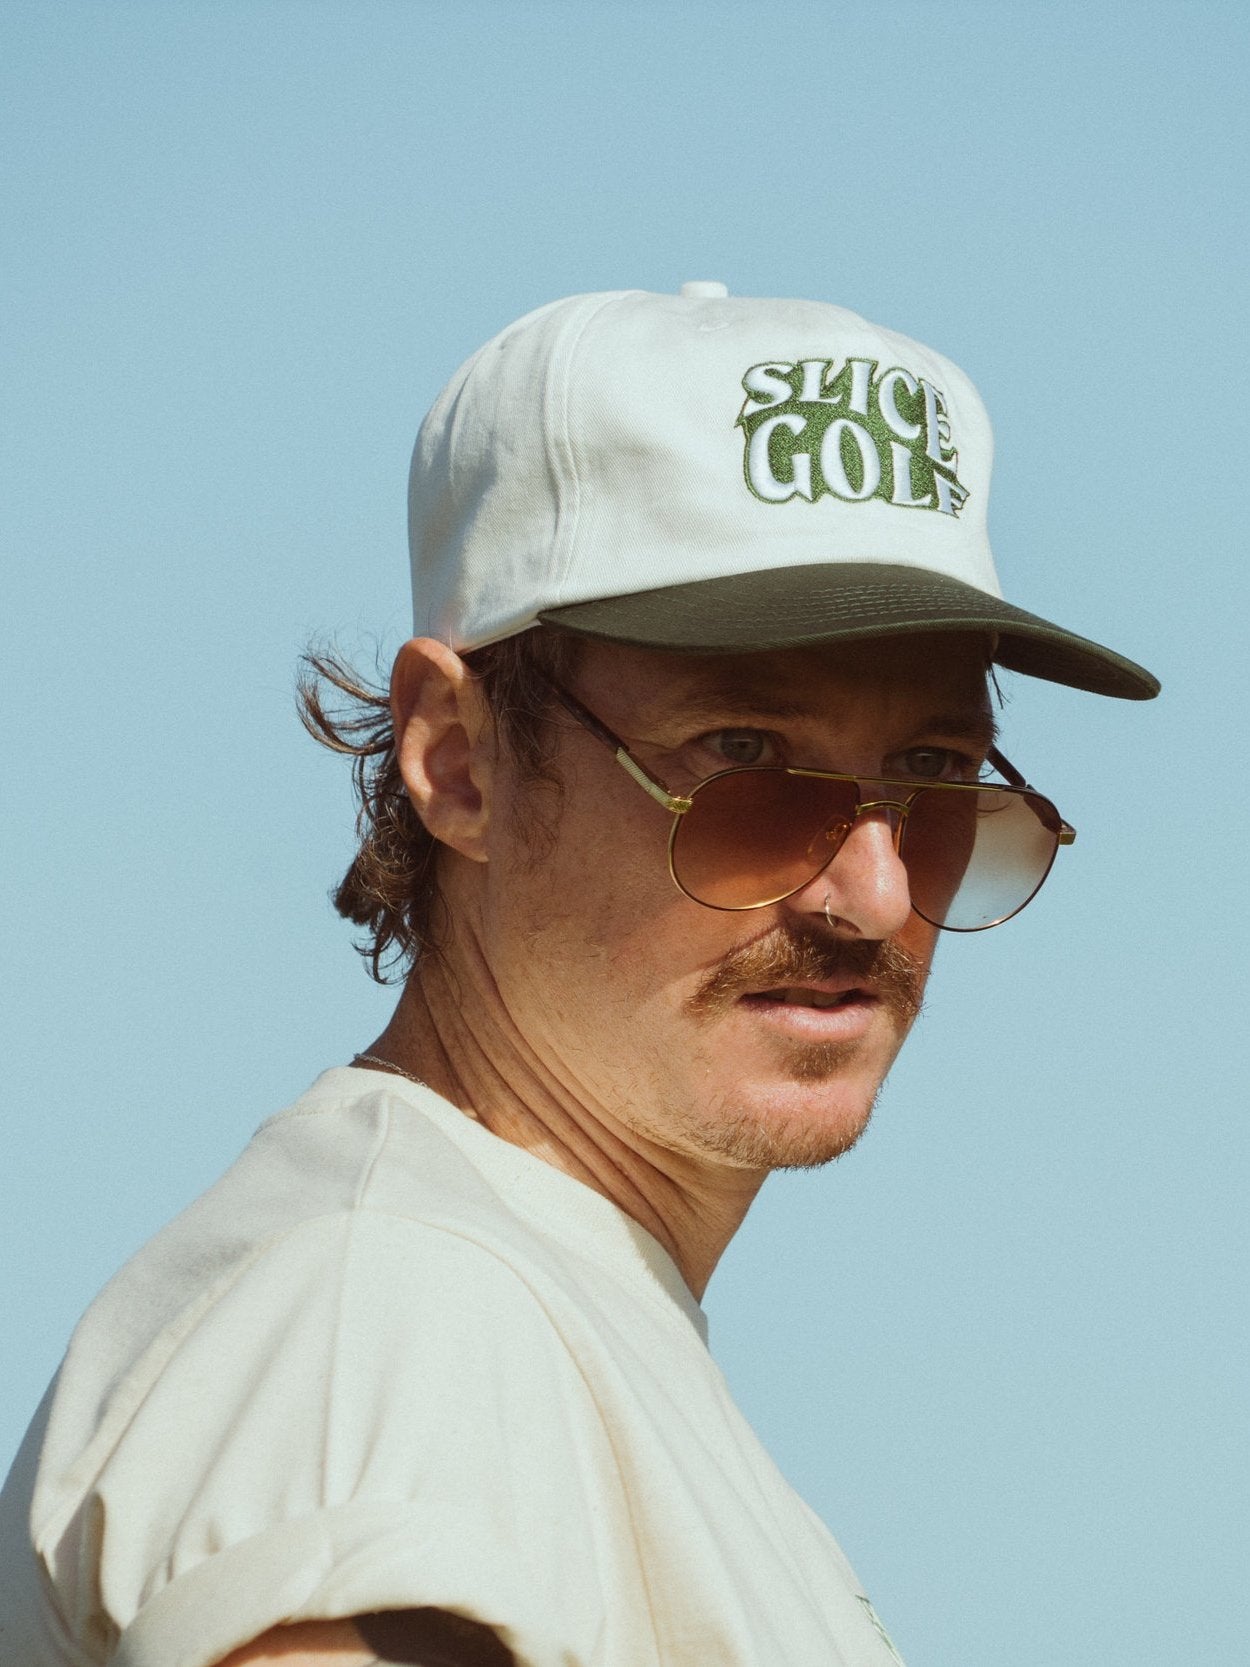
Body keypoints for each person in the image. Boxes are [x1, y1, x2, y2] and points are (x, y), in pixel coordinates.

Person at [0, 281, 1158, 1667]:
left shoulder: (527, 1311)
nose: (873, 890)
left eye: (932, 772)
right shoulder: (395, 1324)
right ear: (459, 761)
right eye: (741, 757)